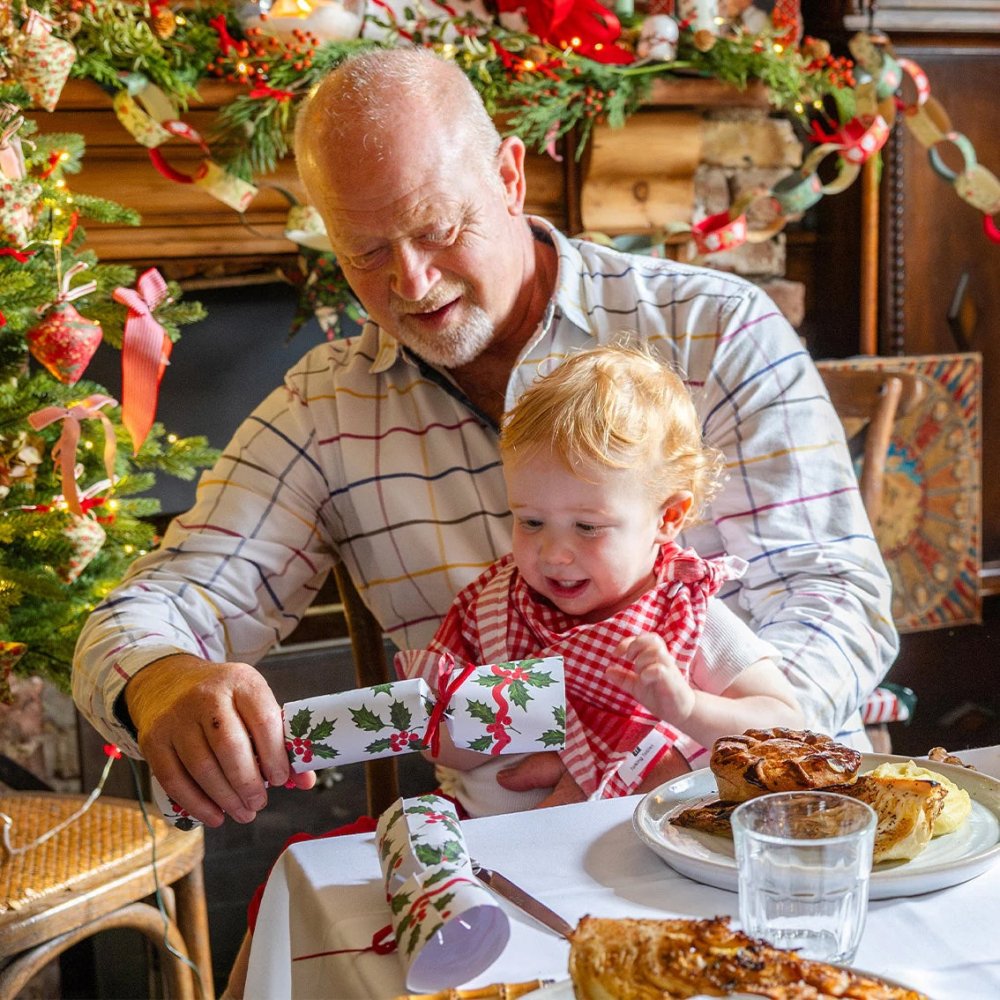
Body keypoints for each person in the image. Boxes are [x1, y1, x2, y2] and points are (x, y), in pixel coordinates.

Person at [72, 46, 896, 832]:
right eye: (364, 251)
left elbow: (835, 600)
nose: (410, 282)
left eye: (434, 229)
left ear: (509, 176)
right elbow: (161, 604)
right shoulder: (323, 409)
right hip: (512, 860)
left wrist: (677, 753)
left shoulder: (715, 329)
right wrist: (160, 677)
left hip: (758, 821)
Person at [396, 342, 804, 817]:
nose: (552, 553)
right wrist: (506, 713)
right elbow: (437, 749)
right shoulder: (490, 608)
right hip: (488, 846)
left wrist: (687, 708)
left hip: (640, 855)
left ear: (668, 516)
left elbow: (785, 728)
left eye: (587, 527)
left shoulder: (684, 615)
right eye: (530, 522)